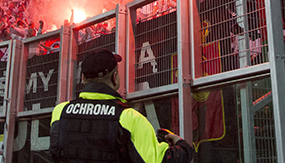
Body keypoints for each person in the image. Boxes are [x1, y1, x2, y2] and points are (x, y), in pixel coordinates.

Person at [49, 49, 193, 163]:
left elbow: (56, 153)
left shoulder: (60, 112)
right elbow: (159, 160)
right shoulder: (129, 118)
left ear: (83, 78)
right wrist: (182, 146)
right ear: (115, 77)